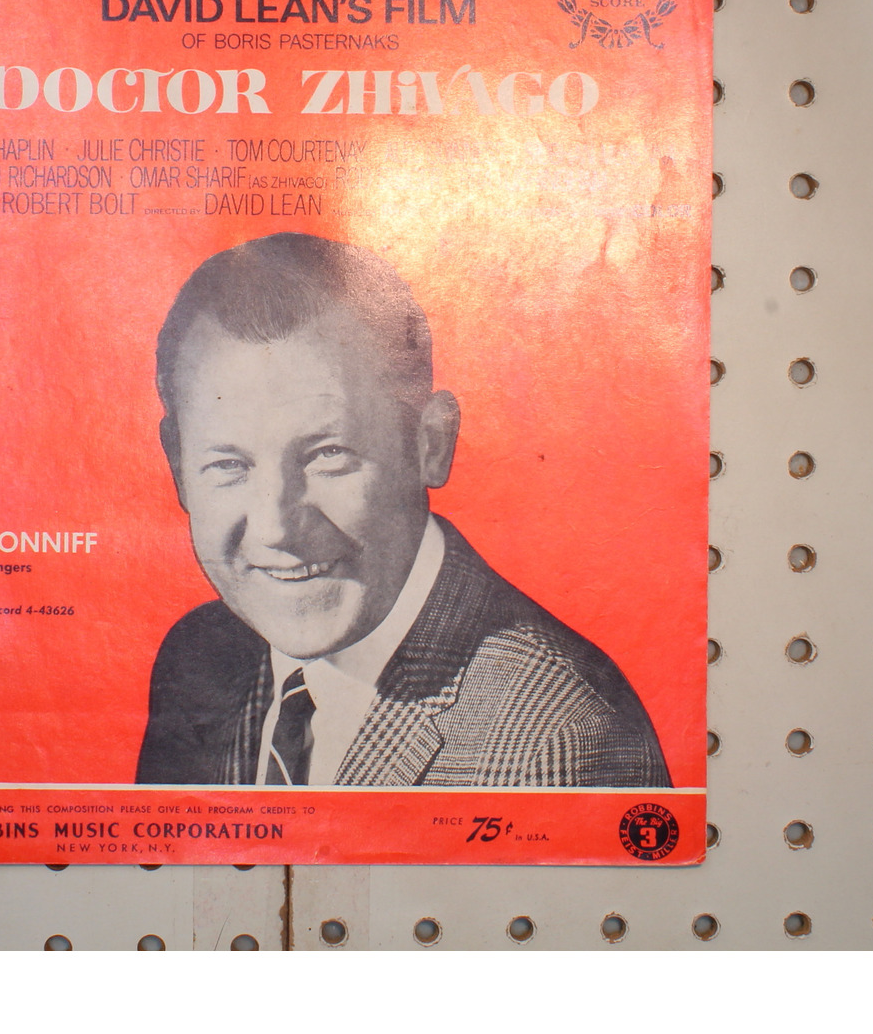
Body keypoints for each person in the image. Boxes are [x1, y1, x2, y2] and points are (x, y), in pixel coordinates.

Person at [136, 232, 669, 788]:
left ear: (430, 444)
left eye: (327, 455)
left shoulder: (562, 741)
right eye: (228, 465)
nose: (276, 529)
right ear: (177, 465)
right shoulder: (200, 657)